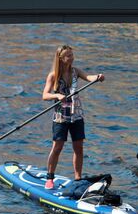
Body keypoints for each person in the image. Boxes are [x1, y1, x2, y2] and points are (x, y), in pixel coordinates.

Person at [41, 45, 105, 188]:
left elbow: (89, 77)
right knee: (57, 147)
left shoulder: (76, 72)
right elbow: (45, 95)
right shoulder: (53, 76)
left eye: (72, 54)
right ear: (61, 58)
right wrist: (57, 95)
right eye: (68, 55)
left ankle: (77, 178)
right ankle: (50, 178)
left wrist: (98, 77)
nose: (72, 57)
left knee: (79, 147)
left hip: (76, 115)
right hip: (60, 117)